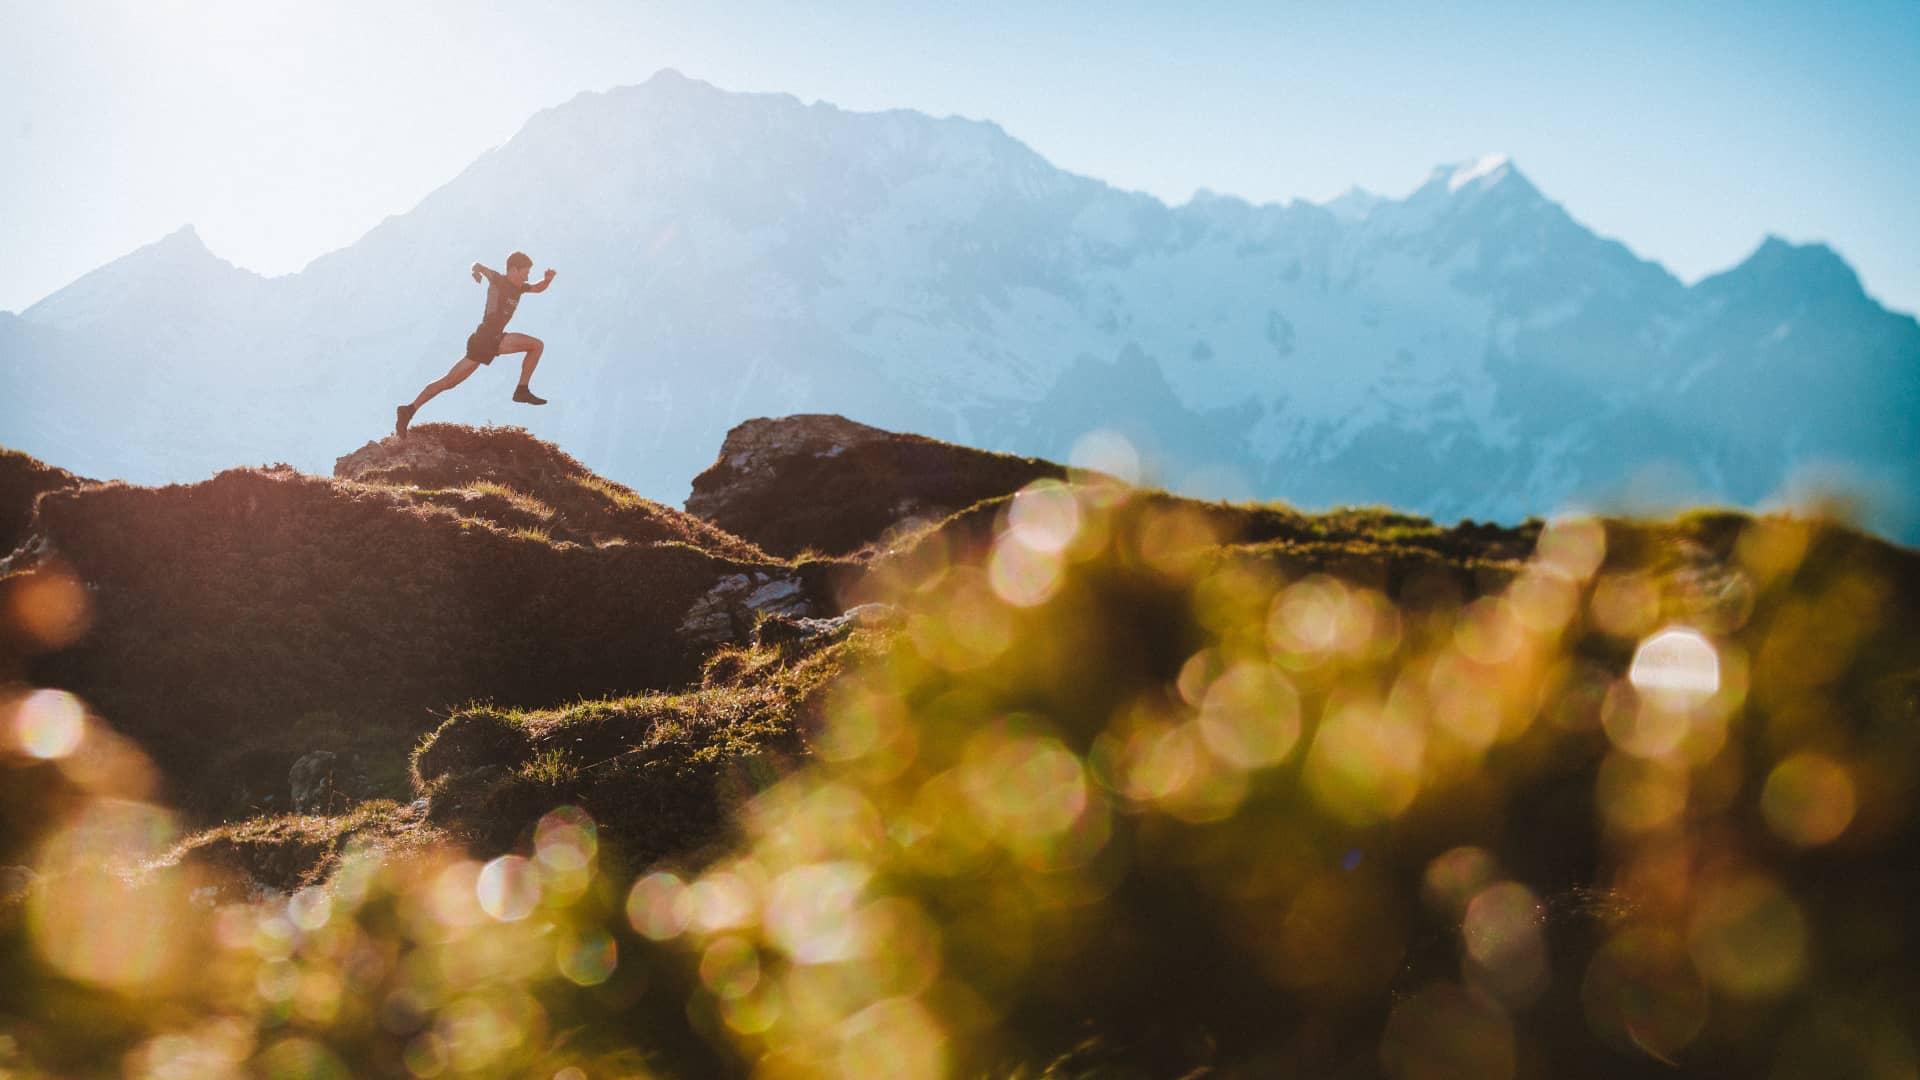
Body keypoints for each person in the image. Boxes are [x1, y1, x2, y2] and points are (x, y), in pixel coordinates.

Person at [395, 252, 557, 436]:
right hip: (486, 338)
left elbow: (538, 288)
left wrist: (548, 280)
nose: (527, 276)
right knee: (536, 345)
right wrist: (475, 272)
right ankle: (521, 390)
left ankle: (408, 410)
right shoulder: (498, 280)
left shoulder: (520, 288)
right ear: (513, 270)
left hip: (491, 340)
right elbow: (478, 265)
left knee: (449, 382)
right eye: (525, 272)